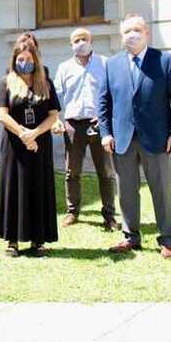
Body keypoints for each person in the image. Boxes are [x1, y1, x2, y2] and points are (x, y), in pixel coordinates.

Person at [98, 15, 171, 259]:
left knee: (161, 190)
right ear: (121, 36)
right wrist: (105, 133)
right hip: (122, 139)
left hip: (157, 138)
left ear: (146, 33)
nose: (132, 35)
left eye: (137, 30)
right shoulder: (112, 64)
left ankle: (167, 240)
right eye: (127, 31)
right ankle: (130, 237)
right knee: (126, 190)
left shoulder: (165, 61)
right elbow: (103, 101)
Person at [0, 40, 60, 257]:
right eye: (20, 59)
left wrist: (35, 134)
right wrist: (24, 133)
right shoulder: (6, 82)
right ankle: (12, 241)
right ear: (14, 60)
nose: (25, 63)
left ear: (36, 60)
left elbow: (53, 115)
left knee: (38, 187)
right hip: (15, 145)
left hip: (40, 144)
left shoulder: (45, 83)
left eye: (29, 59)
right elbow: (2, 115)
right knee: (14, 187)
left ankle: (38, 240)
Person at [52, 28, 119, 230]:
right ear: (71, 45)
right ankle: (72, 212)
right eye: (76, 40)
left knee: (106, 171)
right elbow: (55, 96)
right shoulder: (64, 67)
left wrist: (106, 116)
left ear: (91, 41)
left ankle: (109, 215)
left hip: (99, 124)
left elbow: (115, 92)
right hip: (73, 125)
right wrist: (56, 119)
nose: (80, 42)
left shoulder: (105, 63)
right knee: (72, 171)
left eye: (84, 39)